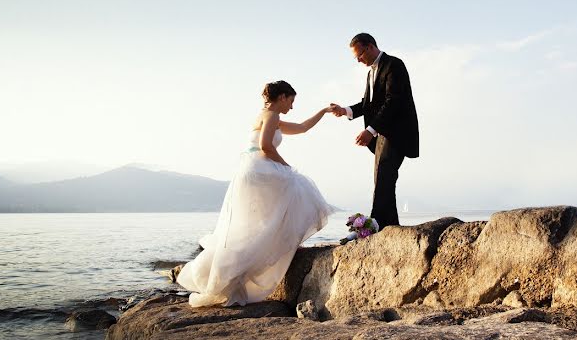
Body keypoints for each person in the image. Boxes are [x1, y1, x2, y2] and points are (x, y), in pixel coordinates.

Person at [177, 81, 336, 307]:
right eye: (291, 101)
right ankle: (280, 246)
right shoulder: (270, 115)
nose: (291, 107)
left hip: (253, 169)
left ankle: (244, 269)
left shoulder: (270, 116)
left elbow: (302, 127)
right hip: (259, 168)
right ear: (282, 97)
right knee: (298, 188)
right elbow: (266, 147)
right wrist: (286, 166)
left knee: (256, 224)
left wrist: (323, 111)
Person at [331, 33, 419, 229]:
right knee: (383, 179)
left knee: (384, 177)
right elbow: (368, 104)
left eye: (359, 55)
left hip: (397, 132)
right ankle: (390, 225)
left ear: (370, 47)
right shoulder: (370, 73)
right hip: (382, 133)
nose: (358, 60)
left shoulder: (394, 65)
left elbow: (393, 101)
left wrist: (370, 130)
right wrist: (345, 110)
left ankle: (374, 225)